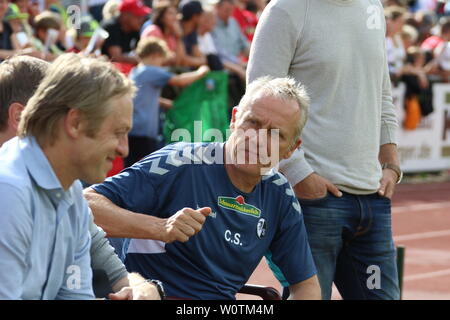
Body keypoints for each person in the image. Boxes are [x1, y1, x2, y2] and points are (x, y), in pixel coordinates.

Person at [85, 77, 321, 300]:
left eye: (274, 134)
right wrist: (160, 227)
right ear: (234, 119)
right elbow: (86, 204)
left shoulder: (280, 193)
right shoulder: (181, 161)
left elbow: (306, 285)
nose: (257, 139)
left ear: (291, 148)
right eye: (253, 122)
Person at [247, 0, 401, 300]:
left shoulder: (372, 7)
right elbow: (258, 102)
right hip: (312, 202)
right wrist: (299, 173)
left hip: (373, 197)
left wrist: (392, 162)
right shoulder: (286, 9)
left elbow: (381, 91)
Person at [0, 55, 162, 300]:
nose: (124, 149)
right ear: (75, 122)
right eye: (117, 132)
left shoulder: (70, 189)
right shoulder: (9, 191)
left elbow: (75, 294)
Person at [125, 36, 210, 167]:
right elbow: (180, 81)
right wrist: (201, 72)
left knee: (131, 168)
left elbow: (143, 97)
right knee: (145, 170)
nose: (161, 65)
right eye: (161, 60)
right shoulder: (150, 70)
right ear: (155, 55)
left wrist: (166, 103)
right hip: (143, 132)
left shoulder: (136, 71)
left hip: (133, 130)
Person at [101, 0, 151, 64]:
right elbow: (116, 58)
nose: (141, 19)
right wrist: (144, 61)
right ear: (125, 15)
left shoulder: (134, 28)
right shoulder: (110, 27)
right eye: (137, 16)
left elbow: (141, 53)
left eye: (142, 16)